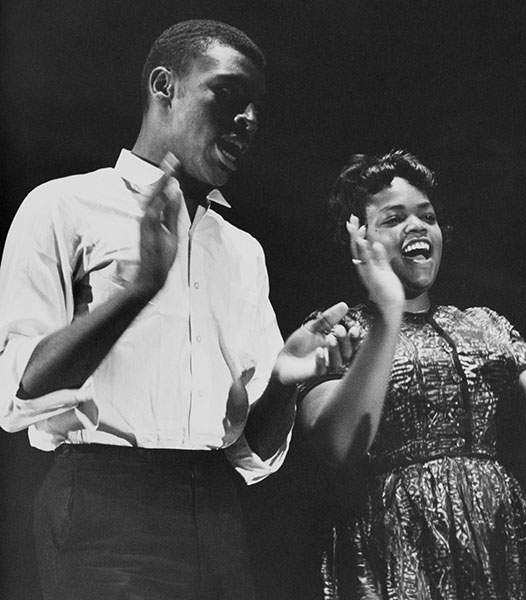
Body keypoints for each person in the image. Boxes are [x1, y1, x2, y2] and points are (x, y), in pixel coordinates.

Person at [0, 19, 351, 600]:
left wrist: (286, 383)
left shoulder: (242, 250)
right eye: (230, 95)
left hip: (214, 506)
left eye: (258, 108)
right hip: (101, 503)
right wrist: (137, 288)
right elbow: (21, 393)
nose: (250, 121)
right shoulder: (61, 206)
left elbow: (251, 456)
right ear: (165, 86)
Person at [295, 150, 526, 599]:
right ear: (359, 240)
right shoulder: (338, 331)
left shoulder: (485, 323)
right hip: (394, 544)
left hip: (495, 538)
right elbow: (337, 445)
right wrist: (388, 312)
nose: (416, 226)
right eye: (393, 219)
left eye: (426, 216)